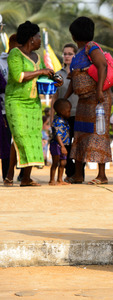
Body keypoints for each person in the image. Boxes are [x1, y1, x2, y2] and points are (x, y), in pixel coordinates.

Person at [3, 21, 61, 187]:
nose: (40, 40)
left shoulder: (37, 57)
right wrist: (41, 71)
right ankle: (10, 174)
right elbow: (18, 76)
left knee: (33, 138)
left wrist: (55, 78)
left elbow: (43, 76)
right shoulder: (15, 53)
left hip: (33, 103)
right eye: (38, 36)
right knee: (20, 136)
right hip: (16, 102)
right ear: (31, 38)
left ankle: (26, 177)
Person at [65, 16, 112, 185]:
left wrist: (99, 90)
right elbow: (74, 78)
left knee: (98, 134)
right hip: (84, 100)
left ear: (73, 35)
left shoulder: (91, 48)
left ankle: (102, 175)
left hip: (97, 98)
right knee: (80, 134)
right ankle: (78, 174)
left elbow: (102, 66)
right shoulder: (78, 54)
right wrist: (64, 98)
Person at [52, 43, 79, 179]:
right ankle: (70, 173)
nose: (67, 56)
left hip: (78, 114)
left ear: (75, 55)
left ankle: (79, 174)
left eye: (70, 54)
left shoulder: (80, 72)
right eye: (65, 54)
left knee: (78, 145)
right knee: (65, 146)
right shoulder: (58, 75)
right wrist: (52, 116)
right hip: (62, 117)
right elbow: (55, 96)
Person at [0, 34, 20, 181]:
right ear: (12, 44)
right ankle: (7, 174)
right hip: (4, 109)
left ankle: (23, 174)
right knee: (6, 142)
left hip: (21, 107)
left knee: (22, 141)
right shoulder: (1, 62)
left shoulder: (24, 60)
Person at [49, 99, 71, 185]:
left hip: (64, 145)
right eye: (68, 111)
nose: (70, 113)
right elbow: (58, 135)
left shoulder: (65, 121)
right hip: (57, 145)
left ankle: (60, 179)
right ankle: (52, 180)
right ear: (62, 112)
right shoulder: (57, 121)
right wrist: (62, 146)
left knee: (63, 163)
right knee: (55, 162)